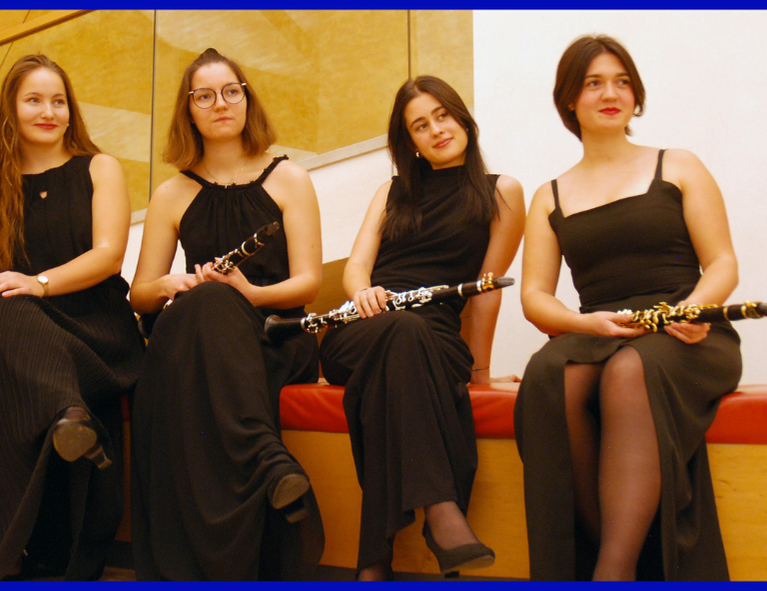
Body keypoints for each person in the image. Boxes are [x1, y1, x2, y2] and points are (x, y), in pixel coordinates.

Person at [513, 34, 743, 581]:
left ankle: (612, 572)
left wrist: (693, 311)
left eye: (622, 82)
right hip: (600, 327)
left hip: (686, 331)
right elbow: (534, 297)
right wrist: (583, 323)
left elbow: (723, 263)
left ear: (636, 95)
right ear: (570, 99)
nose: (610, 93)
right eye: (594, 83)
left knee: (628, 372)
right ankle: (620, 561)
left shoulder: (678, 164)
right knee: (548, 374)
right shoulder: (549, 195)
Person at [0, 54, 144, 581]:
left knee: (9, 306)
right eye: (34, 100)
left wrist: (37, 282)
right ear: (11, 109)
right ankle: (67, 419)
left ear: (71, 110)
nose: (49, 112)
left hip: (96, 334)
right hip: (29, 339)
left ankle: (69, 414)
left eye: (58, 101)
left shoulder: (100, 168)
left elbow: (109, 256)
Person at [317, 75, 525, 581]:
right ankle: (441, 511)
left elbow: (486, 290)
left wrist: (480, 375)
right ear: (409, 141)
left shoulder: (502, 192)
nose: (436, 130)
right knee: (400, 334)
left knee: (401, 353)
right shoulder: (391, 192)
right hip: (363, 327)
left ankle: (374, 560)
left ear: (463, 119)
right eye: (420, 125)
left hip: (434, 338)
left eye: (442, 116)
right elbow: (357, 267)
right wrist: (363, 292)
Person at [128, 48, 325, 581]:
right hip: (198, 344)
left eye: (231, 91)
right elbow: (140, 296)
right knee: (205, 304)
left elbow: (310, 282)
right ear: (188, 111)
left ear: (247, 100)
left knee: (217, 302)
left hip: (273, 338)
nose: (220, 103)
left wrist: (248, 293)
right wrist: (171, 284)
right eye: (205, 96)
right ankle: (266, 459)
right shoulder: (172, 192)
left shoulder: (290, 178)